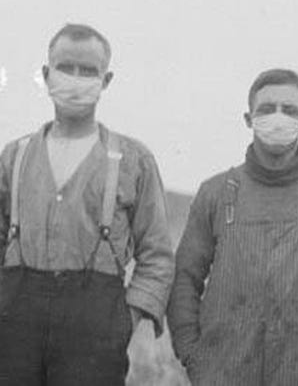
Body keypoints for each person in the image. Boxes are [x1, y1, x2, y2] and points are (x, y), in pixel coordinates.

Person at [167, 68, 298, 385]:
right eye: (266, 109)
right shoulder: (216, 193)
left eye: (289, 110)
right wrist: (193, 355)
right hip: (222, 372)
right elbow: (185, 279)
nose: (278, 118)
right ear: (248, 119)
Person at [0, 23, 174, 386]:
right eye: (66, 68)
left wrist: (128, 316)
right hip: (15, 321)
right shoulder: (14, 156)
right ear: (47, 75)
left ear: (105, 80)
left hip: (95, 325)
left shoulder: (132, 159)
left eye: (88, 71)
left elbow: (157, 254)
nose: (75, 79)